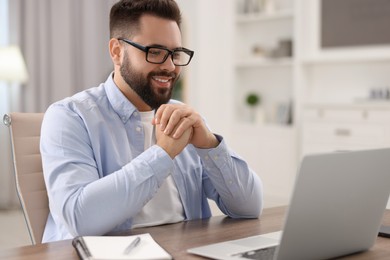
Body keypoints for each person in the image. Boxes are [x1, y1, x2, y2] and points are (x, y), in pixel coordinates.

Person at [40, 0, 263, 243]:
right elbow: (79, 218)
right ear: (117, 51)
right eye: (154, 52)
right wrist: (163, 154)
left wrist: (209, 144)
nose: (169, 66)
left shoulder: (184, 119)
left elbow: (249, 208)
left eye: (175, 53)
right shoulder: (69, 116)